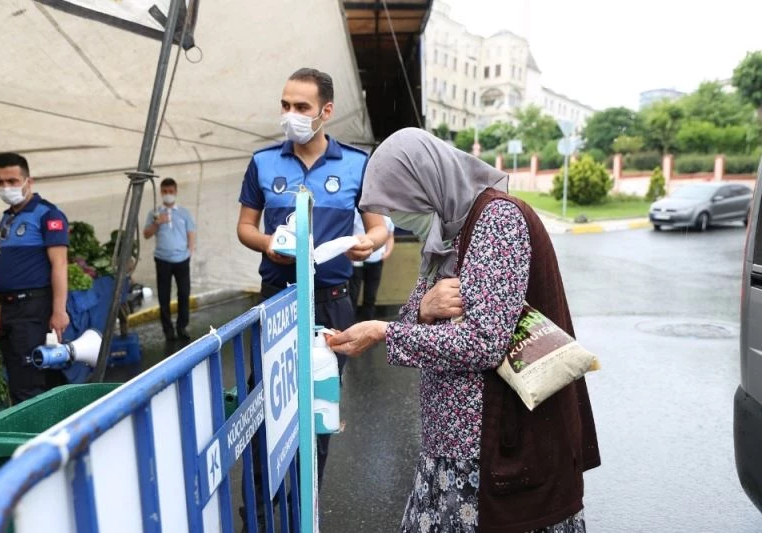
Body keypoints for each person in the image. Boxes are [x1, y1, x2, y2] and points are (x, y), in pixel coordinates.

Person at [329, 128, 600, 532]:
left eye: (402, 206)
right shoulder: (446, 237)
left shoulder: (498, 221)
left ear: (428, 184)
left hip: (495, 446)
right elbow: (411, 321)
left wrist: (386, 332)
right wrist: (421, 309)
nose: (399, 220)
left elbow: (483, 342)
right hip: (448, 450)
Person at [237, 67, 388, 488]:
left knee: (317, 408)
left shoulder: (358, 165)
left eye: (301, 107)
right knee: (267, 407)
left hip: (331, 302)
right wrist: (267, 244)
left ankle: (307, 506)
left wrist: (368, 242)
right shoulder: (263, 162)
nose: (291, 115)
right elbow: (245, 227)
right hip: (277, 299)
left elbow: (378, 226)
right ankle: (262, 512)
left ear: (326, 111)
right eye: (285, 106)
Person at [0, 152, 70, 404]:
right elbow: (6, 265)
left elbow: (59, 265)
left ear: (28, 182)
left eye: (12, 181)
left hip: (32, 307)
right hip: (10, 307)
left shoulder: (48, 215)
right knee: (17, 377)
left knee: (28, 383)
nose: (6, 187)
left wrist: (59, 311)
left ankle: (35, 440)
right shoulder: (8, 218)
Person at [143, 177, 196, 342]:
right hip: (162, 259)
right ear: (161, 192)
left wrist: (190, 250)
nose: (168, 195)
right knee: (163, 295)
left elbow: (191, 232)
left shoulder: (184, 213)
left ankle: (182, 326)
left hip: (182, 259)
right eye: (165, 192)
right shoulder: (154, 213)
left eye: (170, 192)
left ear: (176, 192)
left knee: (184, 292)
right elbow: (146, 234)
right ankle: (168, 330)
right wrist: (157, 223)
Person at [348, 211, 395, 321]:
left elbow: (390, 236)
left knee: (370, 295)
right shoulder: (356, 213)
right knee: (353, 293)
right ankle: (350, 322)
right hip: (356, 260)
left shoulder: (387, 216)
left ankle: (367, 322)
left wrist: (387, 252)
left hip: (376, 259)